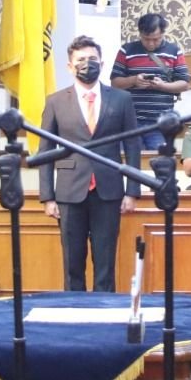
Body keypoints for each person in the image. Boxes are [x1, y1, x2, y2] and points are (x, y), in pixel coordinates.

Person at [39, 35, 141, 292]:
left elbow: (132, 146)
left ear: (102, 63)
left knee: (105, 261)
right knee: (72, 262)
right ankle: (73, 309)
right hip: (69, 191)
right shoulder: (55, 101)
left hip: (109, 190)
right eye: (81, 59)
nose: (87, 64)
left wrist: (132, 191)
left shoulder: (121, 99)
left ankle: (104, 309)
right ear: (70, 66)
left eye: (92, 59)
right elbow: (45, 151)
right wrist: (47, 197)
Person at [109, 12, 191, 149]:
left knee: (159, 159)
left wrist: (162, 86)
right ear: (140, 33)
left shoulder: (174, 51)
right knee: (129, 159)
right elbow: (115, 83)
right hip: (130, 122)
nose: (151, 43)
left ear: (163, 33)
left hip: (161, 123)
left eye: (156, 39)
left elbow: (185, 84)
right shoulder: (126, 50)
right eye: (146, 39)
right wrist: (134, 80)